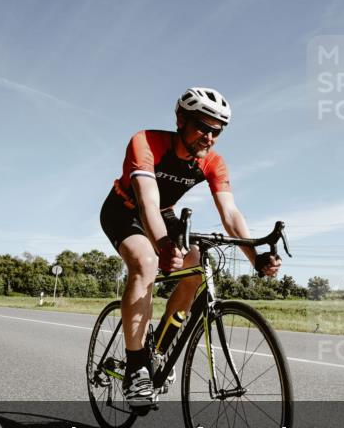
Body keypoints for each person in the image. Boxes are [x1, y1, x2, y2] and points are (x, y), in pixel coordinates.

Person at [100, 87, 281, 407]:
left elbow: (230, 213)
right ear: (180, 120)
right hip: (124, 209)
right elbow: (147, 201)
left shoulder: (213, 162)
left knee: (196, 264)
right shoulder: (146, 141)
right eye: (202, 126)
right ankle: (137, 366)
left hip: (163, 213)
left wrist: (255, 256)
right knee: (145, 263)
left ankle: (161, 348)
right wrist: (163, 244)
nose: (209, 137)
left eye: (217, 131)